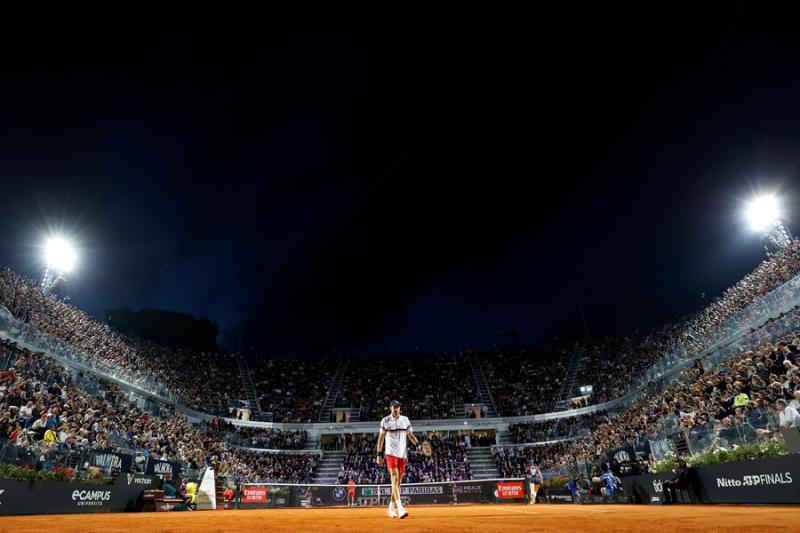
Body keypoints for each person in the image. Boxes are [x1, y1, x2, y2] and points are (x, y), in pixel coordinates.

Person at [376, 400, 420, 519]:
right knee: (394, 478)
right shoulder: (385, 420)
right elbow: (381, 438)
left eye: (398, 407)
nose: (397, 408)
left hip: (403, 455)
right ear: (390, 408)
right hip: (390, 454)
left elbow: (410, 435)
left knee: (398, 483)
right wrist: (378, 454)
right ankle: (400, 508)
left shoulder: (405, 420)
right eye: (395, 407)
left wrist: (418, 445)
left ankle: (390, 508)